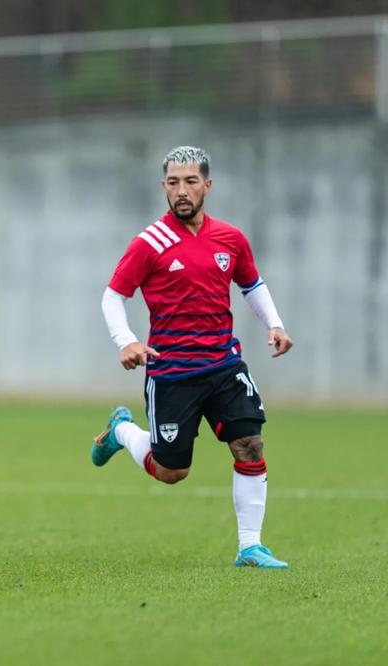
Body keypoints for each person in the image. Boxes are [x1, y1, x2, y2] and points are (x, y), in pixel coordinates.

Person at [93, 146, 292, 568]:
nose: (182, 191)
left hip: (224, 365)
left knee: (250, 444)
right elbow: (114, 295)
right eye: (173, 182)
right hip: (172, 374)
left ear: (207, 185)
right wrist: (125, 340)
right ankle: (123, 432)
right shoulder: (149, 243)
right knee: (171, 472)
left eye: (190, 181)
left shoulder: (230, 238)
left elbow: (251, 285)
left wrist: (274, 323)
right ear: (164, 187)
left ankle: (250, 546)